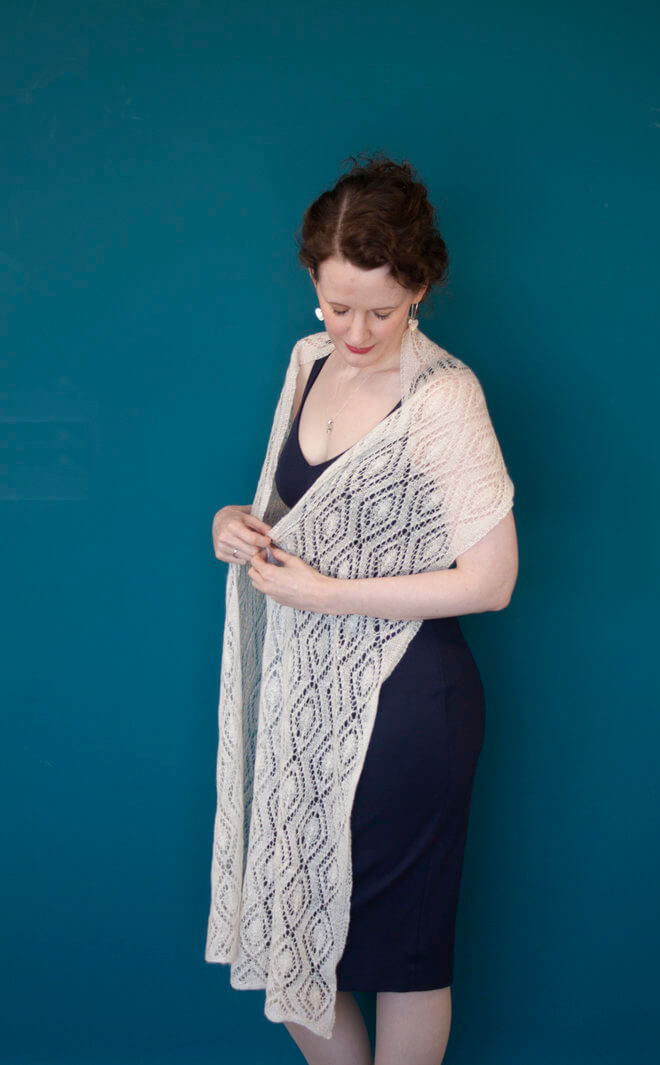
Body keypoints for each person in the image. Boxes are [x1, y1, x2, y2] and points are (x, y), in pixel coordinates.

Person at [206, 155, 519, 1065]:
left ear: (419, 287)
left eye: (380, 311)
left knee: (403, 954)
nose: (354, 331)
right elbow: (295, 513)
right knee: (291, 927)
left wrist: (329, 596)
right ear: (313, 280)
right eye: (337, 304)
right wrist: (235, 523)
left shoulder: (444, 398)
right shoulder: (308, 362)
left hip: (409, 706)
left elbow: (492, 580)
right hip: (299, 699)